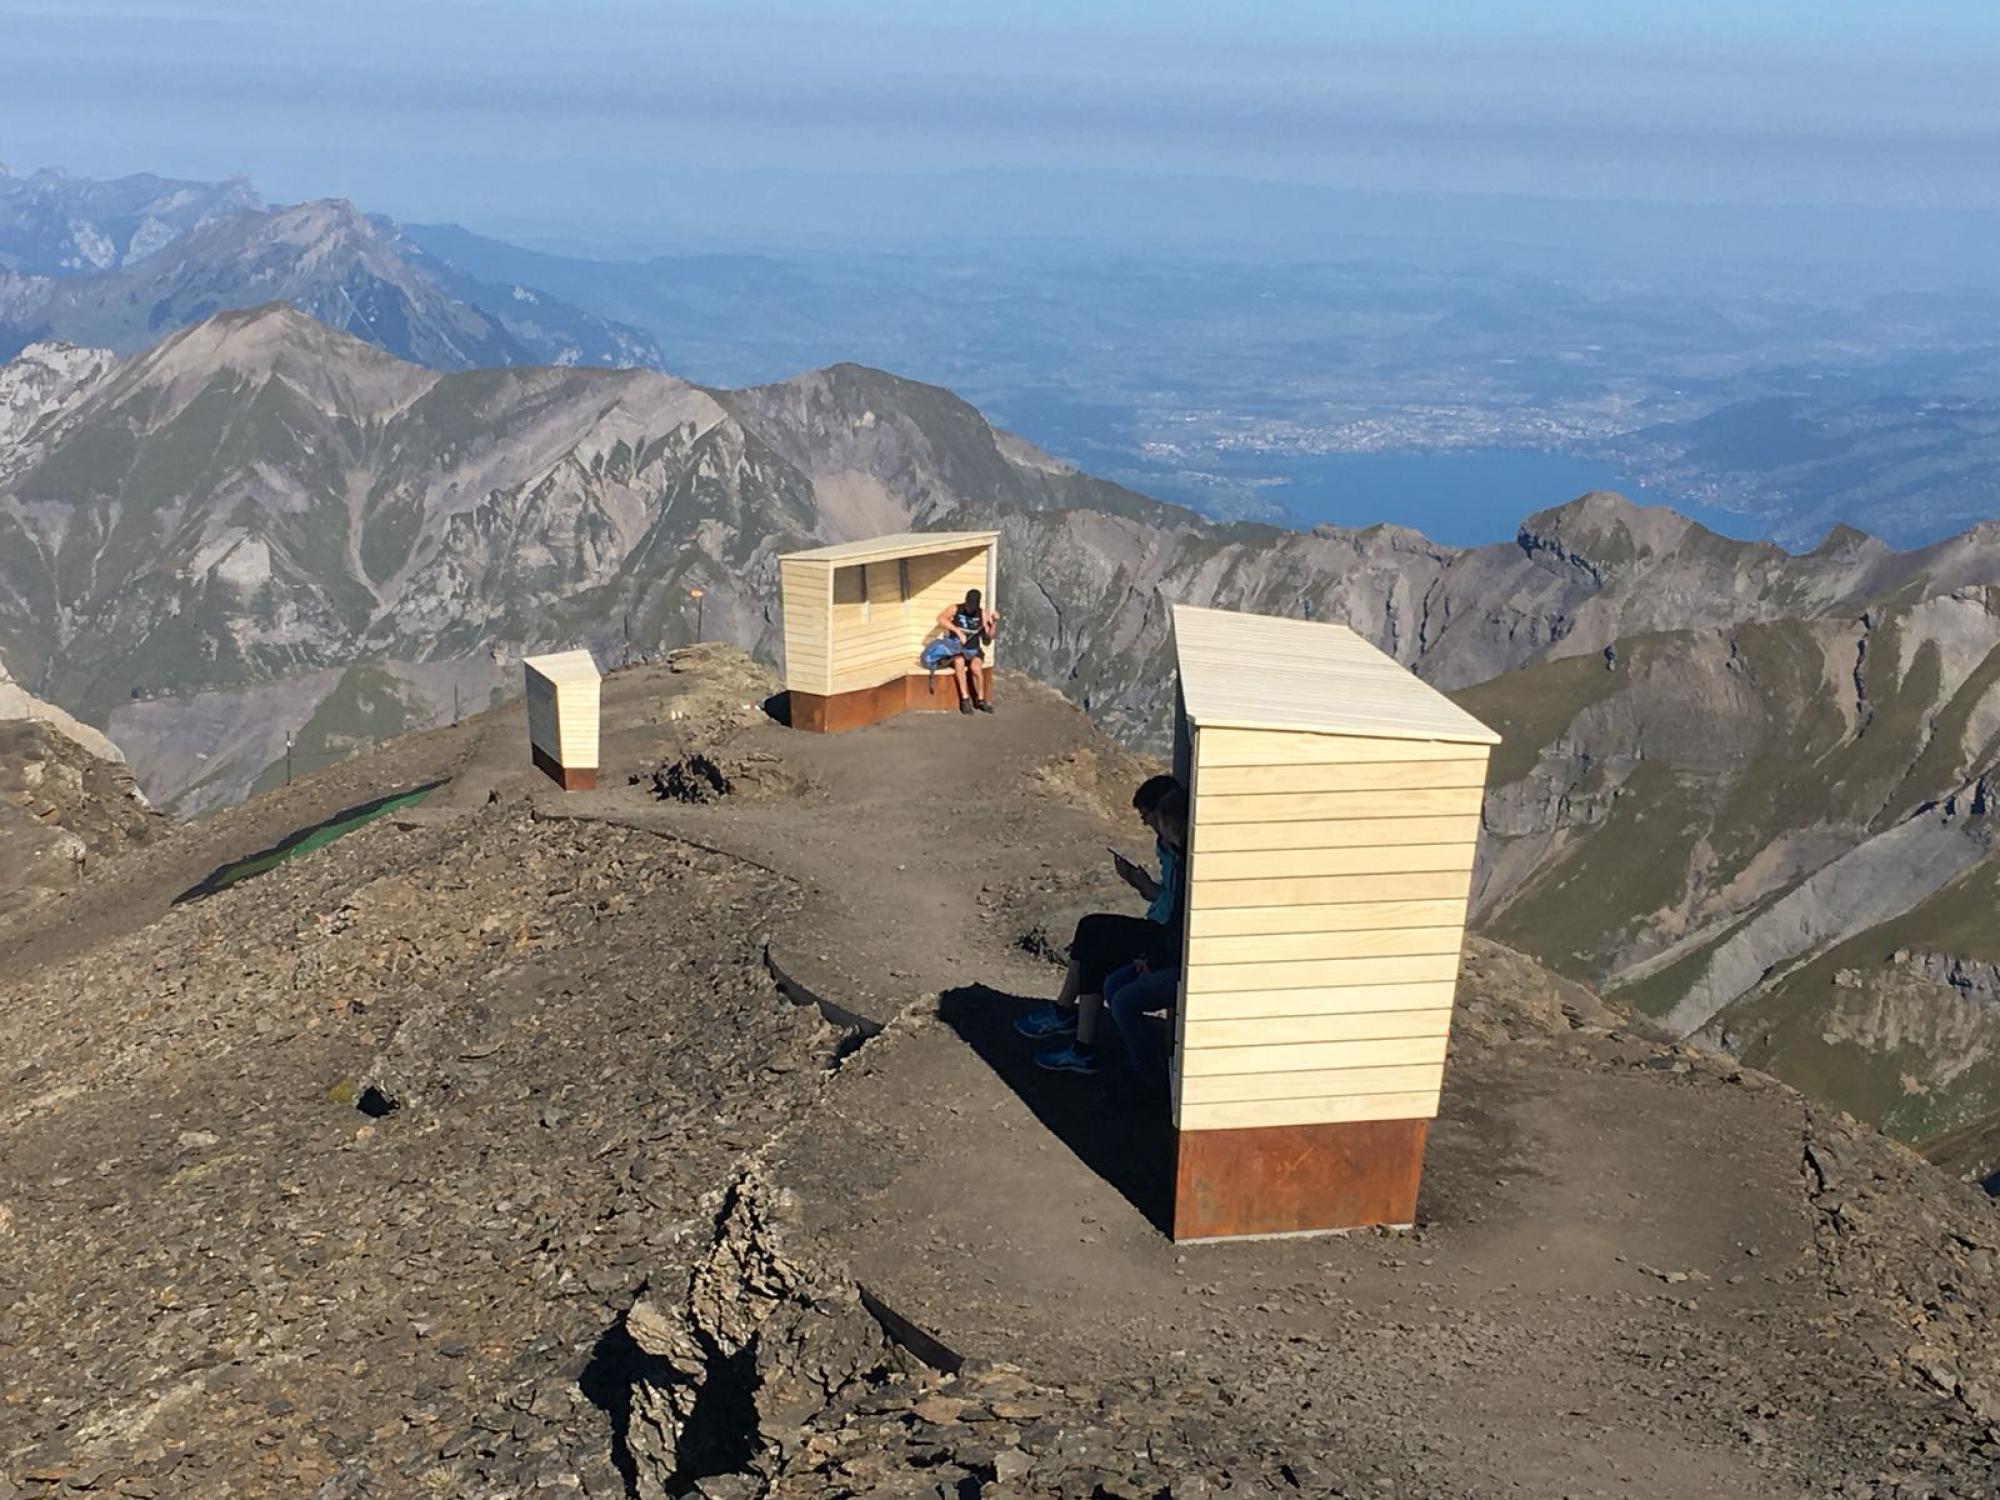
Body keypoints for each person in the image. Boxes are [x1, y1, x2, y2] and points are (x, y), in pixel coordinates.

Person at [1024, 784, 1189, 1076]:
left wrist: (1142, 885)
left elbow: (1174, 907)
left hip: (1162, 933)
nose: (1147, 823)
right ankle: (1077, 1036)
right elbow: (1163, 899)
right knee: (1094, 937)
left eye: (1147, 815)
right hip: (1159, 928)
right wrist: (1138, 883)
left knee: (1093, 933)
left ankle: (1069, 1021)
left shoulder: (1181, 854)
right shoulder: (1170, 847)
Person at [933, 587, 997, 714]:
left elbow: (988, 637)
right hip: (957, 648)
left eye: (972, 607)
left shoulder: (981, 613)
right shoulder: (956, 609)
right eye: (968, 605)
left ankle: (981, 699)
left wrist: (994, 622)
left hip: (973, 649)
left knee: (976, 668)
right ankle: (965, 698)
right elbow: (940, 618)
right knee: (959, 661)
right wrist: (957, 631)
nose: (969, 608)